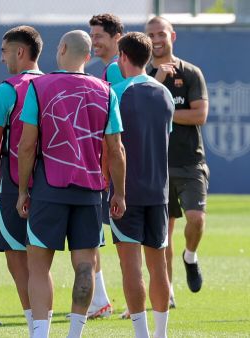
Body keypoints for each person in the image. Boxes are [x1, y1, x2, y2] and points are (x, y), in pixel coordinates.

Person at [16, 30, 126, 338]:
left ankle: (40, 334)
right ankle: (74, 334)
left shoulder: (39, 87)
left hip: (49, 189)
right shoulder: (107, 91)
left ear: (62, 48)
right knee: (84, 267)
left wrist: (23, 190)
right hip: (91, 192)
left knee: (38, 265)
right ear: (88, 57)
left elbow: (27, 145)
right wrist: (120, 192)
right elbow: (116, 149)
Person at [0, 25, 48, 336]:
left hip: (14, 179)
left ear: (20, 52)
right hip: (52, 181)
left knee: (16, 254)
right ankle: (44, 325)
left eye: (5, 51)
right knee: (42, 258)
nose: (2, 58)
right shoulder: (53, 85)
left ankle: (34, 326)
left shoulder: (7, 89)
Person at [111, 32, 175, 338]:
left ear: (123, 56)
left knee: (131, 266)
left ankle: (142, 335)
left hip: (127, 193)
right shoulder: (164, 94)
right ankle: (161, 334)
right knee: (158, 265)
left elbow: (111, 146)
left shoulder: (117, 93)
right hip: (158, 192)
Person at [146, 16, 209, 302]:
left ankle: (191, 255)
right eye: (151, 35)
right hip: (157, 163)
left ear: (173, 36)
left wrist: (164, 111)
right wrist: (156, 90)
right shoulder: (144, 75)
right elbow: (141, 116)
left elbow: (200, 115)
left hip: (190, 161)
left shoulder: (191, 72)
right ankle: (167, 291)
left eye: (161, 34)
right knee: (164, 232)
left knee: (195, 219)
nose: (157, 39)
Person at [85, 13, 126, 319]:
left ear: (116, 37)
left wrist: (104, 165)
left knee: (101, 235)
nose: (93, 41)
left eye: (98, 35)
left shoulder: (115, 72)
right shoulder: (111, 71)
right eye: (92, 36)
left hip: (109, 167)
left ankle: (103, 300)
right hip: (109, 164)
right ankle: (101, 298)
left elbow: (113, 131)